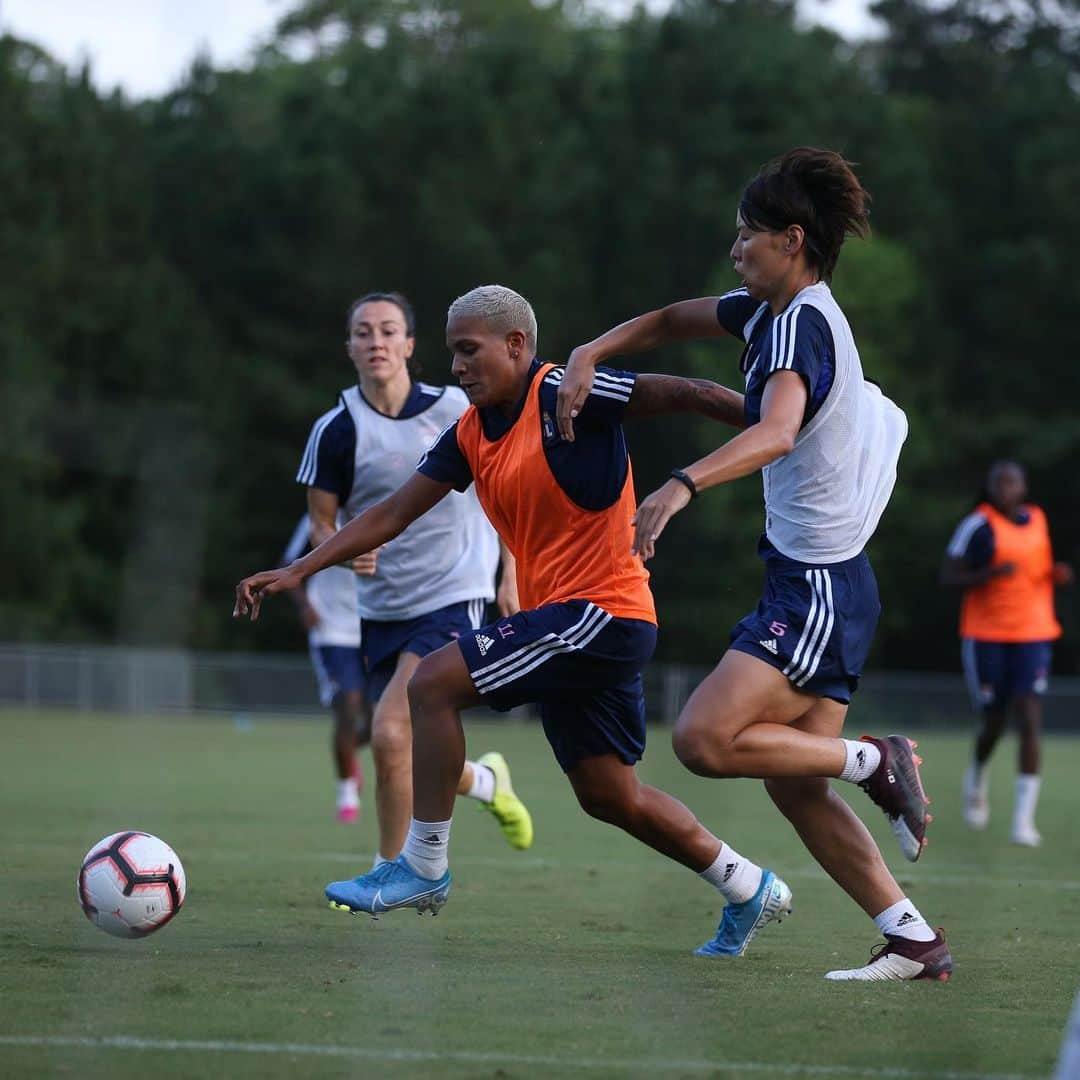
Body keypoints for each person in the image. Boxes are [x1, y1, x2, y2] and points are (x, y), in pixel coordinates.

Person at [237, 284, 805, 958]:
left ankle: (423, 866)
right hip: (572, 624)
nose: (457, 367)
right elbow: (390, 514)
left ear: (518, 346)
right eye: (452, 353)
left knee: (431, 686)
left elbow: (679, 390)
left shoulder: (566, 389)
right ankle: (748, 886)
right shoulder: (472, 431)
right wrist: (302, 568)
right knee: (609, 796)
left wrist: (773, 426)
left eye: (468, 350)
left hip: (604, 613)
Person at [555, 147, 951, 981]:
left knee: (703, 737)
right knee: (794, 784)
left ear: (792, 240)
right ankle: (914, 939)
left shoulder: (801, 323)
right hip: (819, 582)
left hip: (817, 588)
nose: (736, 248)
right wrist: (591, 350)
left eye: (748, 235)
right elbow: (668, 319)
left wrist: (679, 486)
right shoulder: (768, 312)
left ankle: (879, 760)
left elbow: (775, 431)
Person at [294, 290, 533, 865]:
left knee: (389, 734)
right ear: (349, 347)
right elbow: (321, 523)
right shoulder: (336, 430)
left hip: (456, 591)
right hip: (381, 609)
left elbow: (505, 488)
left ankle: (389, 871)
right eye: (362, 332)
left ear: (409, 345)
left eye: (387, 330)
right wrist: (341, 553)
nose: (375, 341)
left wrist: (511, 573)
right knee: (400, 746)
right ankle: (484, 783)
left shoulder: (457, 408)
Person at [941, 460, 1073, 845]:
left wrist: (1057, 575)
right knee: (994, 721)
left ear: (1023, 487)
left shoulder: (1038, 520)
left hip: (1034, 632)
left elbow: (1038, 570)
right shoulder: (977, 525)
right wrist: (987, 575)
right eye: (999, 482)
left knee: (1030, 716)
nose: (1005, 488)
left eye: (1012, 482)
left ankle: (1023, 821)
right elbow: (948, 576)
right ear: (990, 486)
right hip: (987, 636)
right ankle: (977, 775)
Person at [281, 513, 373, 823]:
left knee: (382, 719)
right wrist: (305, 606)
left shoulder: (392, 503)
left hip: (375, 622)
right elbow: (289, 562)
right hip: (331, 626)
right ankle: (347, 791)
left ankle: (348, 755)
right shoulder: (318, 515)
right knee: (347, 705)